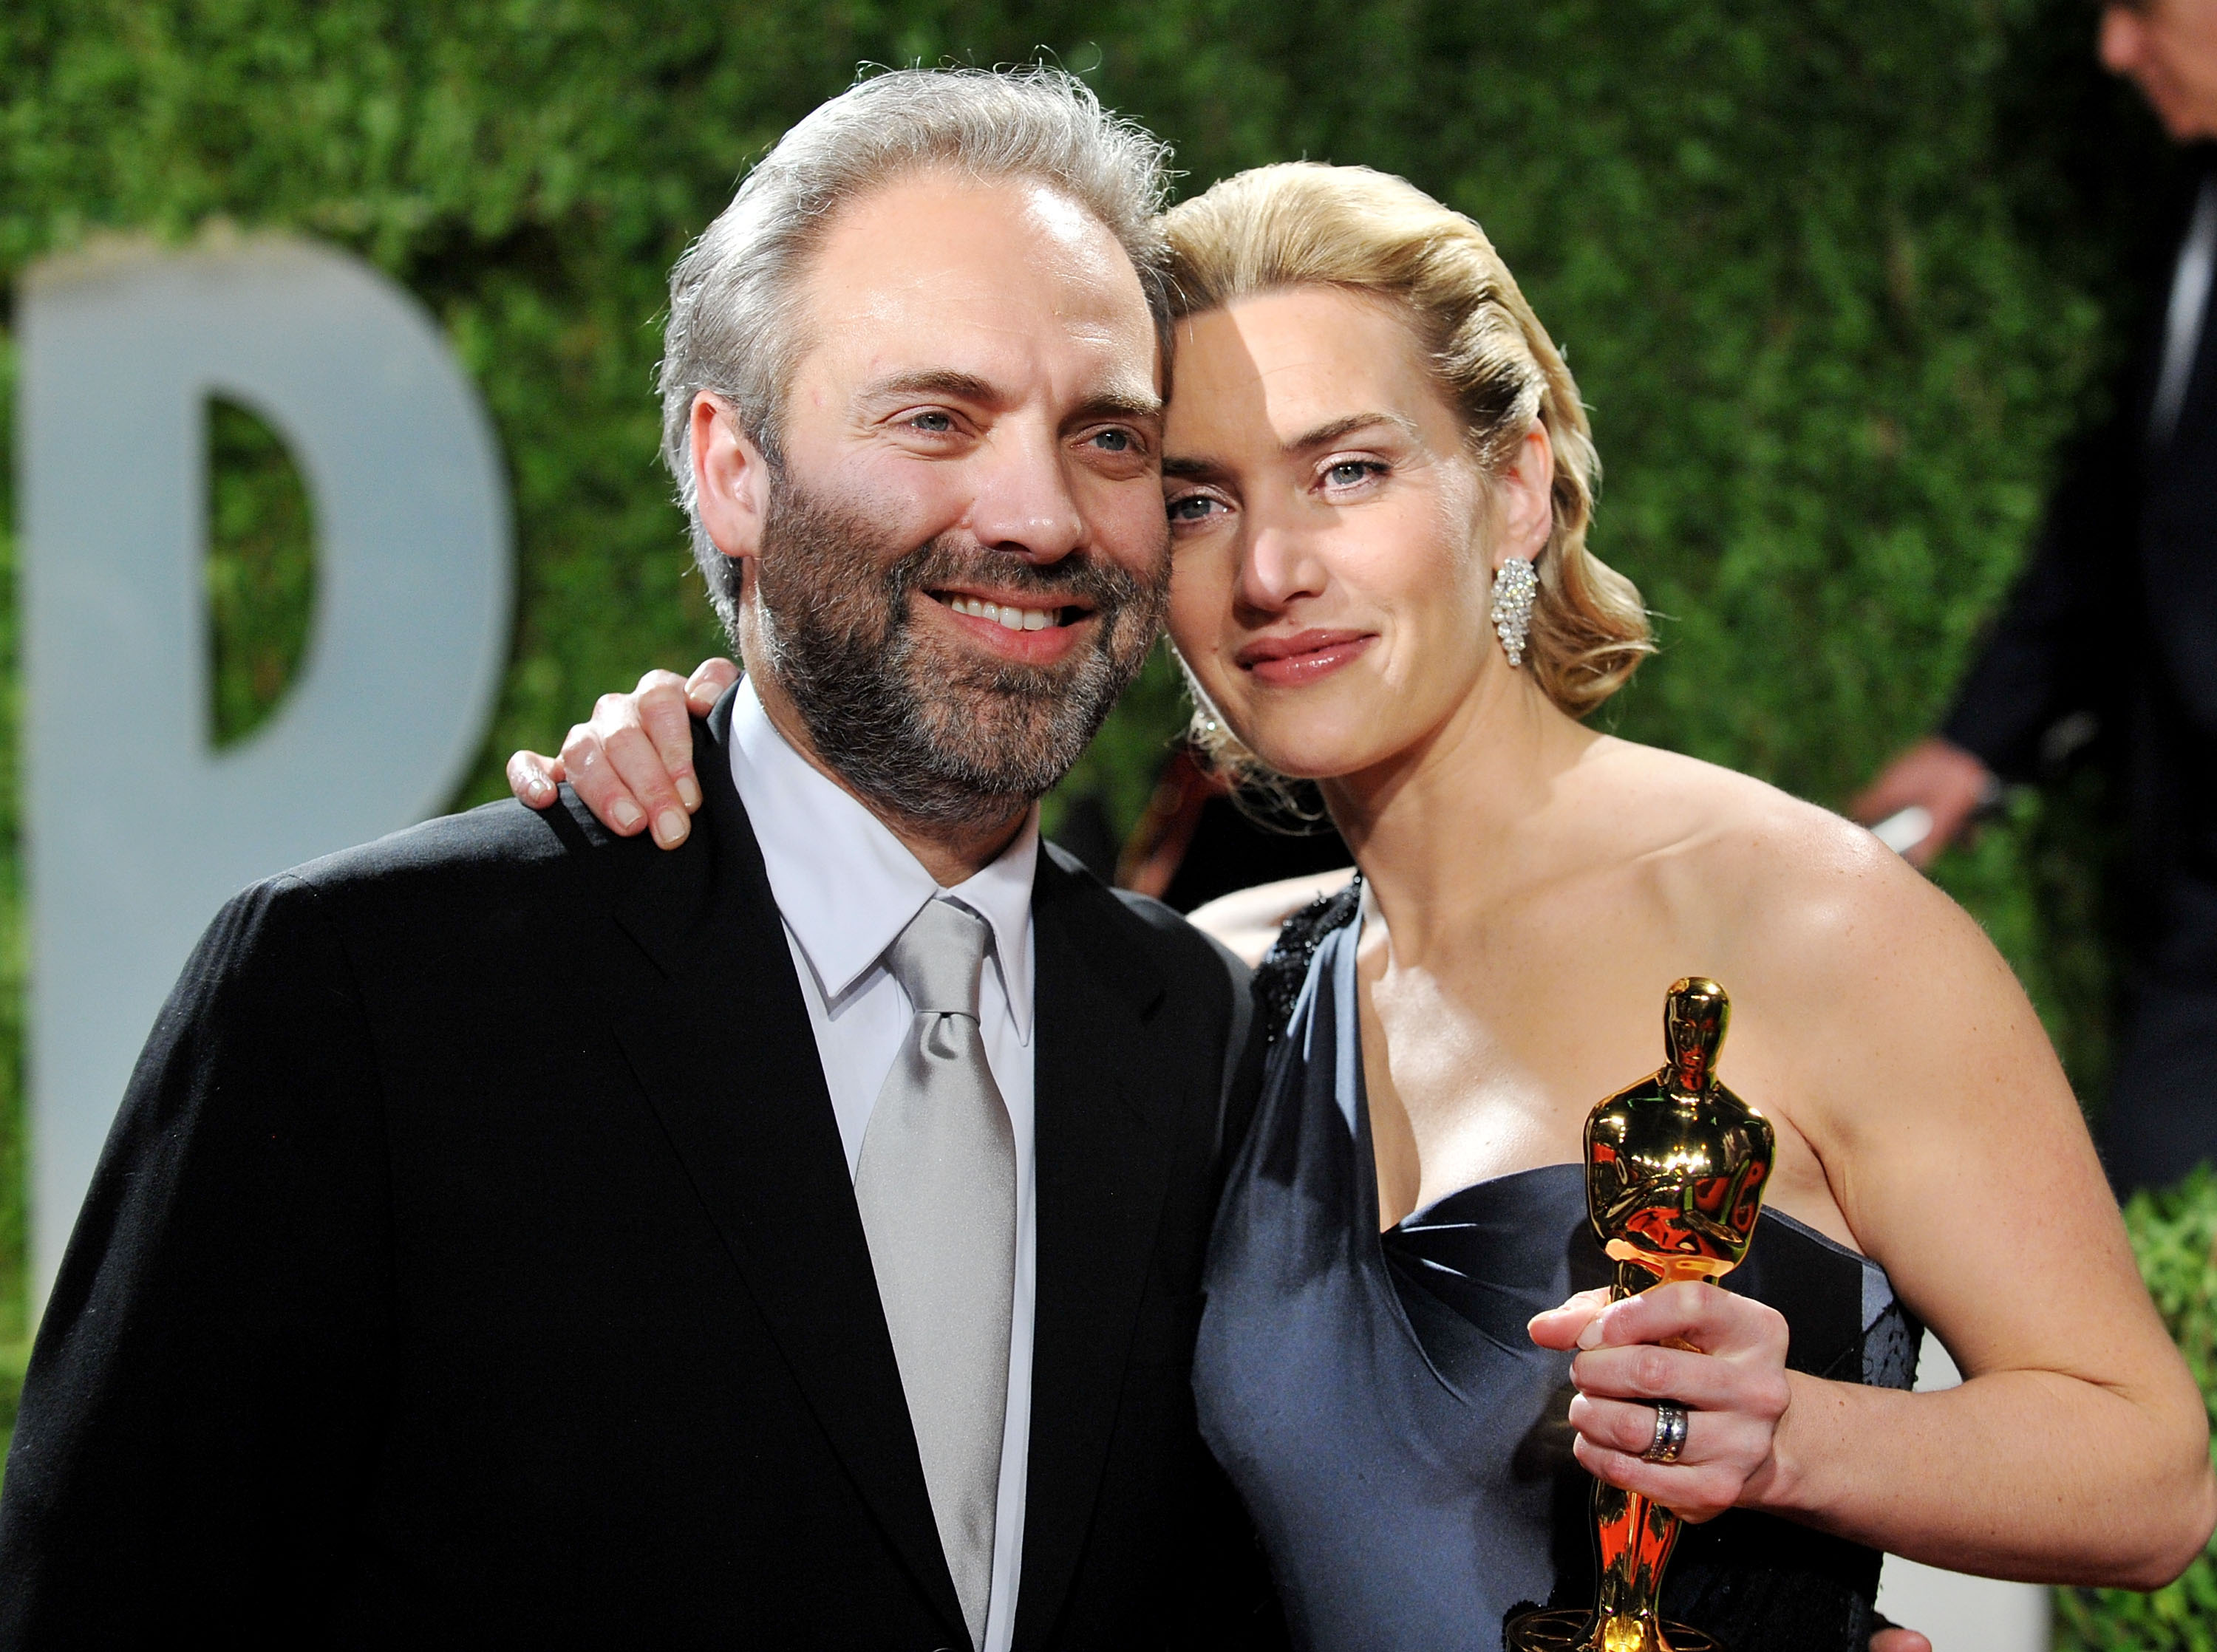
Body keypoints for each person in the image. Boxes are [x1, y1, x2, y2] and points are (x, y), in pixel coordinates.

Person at [535, 162, 2217, 1652]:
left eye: (1348, 472)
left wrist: (1796, 1439)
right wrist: (704, 749)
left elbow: (2148, 1469)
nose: (1271, 569)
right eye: (1195, 497)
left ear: (1518, 484)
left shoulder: (1808, 924)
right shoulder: (1210, 993)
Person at [0, 69, 1285, 1648]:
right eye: (936, 417)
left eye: (1108, 436)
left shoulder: (1201, 1035)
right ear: (732, 466)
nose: (1038, 511)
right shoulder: (362, 999)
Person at [1853, 0, 2217, 1194]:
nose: (2115, 49)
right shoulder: (2193, 207)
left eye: (2143, 8)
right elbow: (2133, 508)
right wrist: (1979, 739)